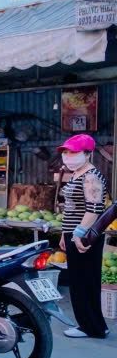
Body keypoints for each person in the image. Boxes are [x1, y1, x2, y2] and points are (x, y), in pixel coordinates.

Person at [54, 134, 109, 339]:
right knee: (80, 280)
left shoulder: (91, 176)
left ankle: (90, 327)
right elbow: (71, 209)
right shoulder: (77, 174)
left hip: (85, 238)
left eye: (74, 152)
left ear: (88, 153)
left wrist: (77, 234)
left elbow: (94, 209)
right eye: (66, 152)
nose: (68, 156)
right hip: (74, 234)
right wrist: (64, 234)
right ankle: (95, 325)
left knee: (84, 281)